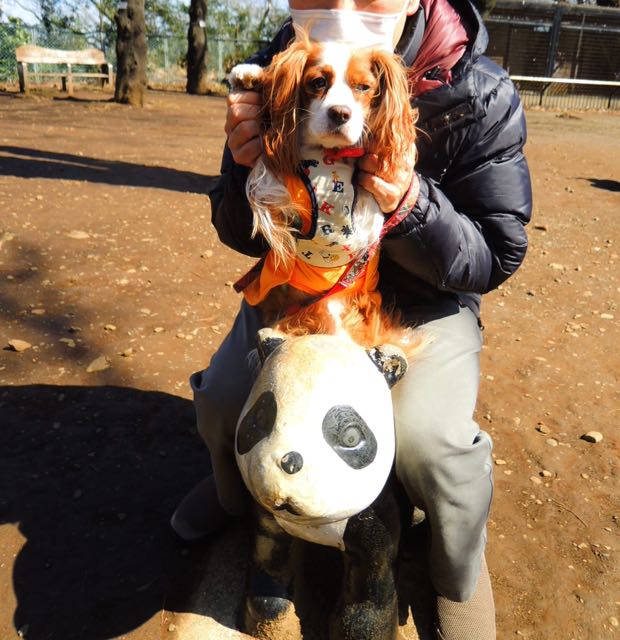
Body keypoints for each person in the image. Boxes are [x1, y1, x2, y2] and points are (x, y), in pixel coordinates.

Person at [171, 0, 532, 638]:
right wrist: (244, 167)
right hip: (302, 283)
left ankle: (456, 572)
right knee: (225, 398)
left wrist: (413, 204)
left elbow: (496, 252)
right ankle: (235, 497)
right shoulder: (280, 66)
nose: (343, 4)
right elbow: (238, 229)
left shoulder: (479, 89)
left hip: (423, 298)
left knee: (431, 442)